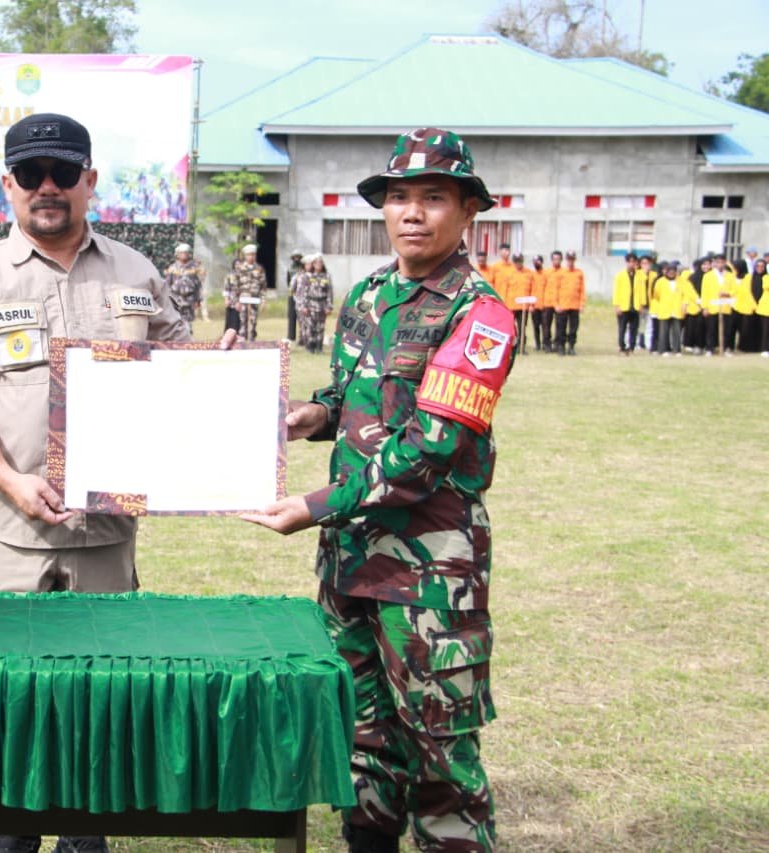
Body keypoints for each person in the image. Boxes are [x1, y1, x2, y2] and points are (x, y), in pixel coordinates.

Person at [0, 112, 200, 853]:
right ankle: (12, 838)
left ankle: (85, 837)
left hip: (105, 534)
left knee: (99, 699)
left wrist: (218, 373)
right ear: (8, 183)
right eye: (32, 173)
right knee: (11, 698)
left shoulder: (137, 273)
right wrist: (10, 479)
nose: (48, 186)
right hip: (11, 534)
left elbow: (180, 374)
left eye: (63, 172)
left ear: (89, 180)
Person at [242, 127, 513, 853]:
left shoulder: (479, 314)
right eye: (399, 197)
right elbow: (352, 397)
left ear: (468, 210)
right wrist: (314, 415)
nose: (412, 213)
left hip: (429, 571)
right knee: (361, 737)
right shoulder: (367, 294)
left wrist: (316, 506)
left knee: (439, 750)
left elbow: (429, 448)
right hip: (351, 559)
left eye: (434, 198)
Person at [293, 253, 333, 353]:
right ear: (313, 264)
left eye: (320, 263)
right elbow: (304, 293)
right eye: (316, 263)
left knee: (320, 327)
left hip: (322, 305)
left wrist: (329, 306)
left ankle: (319, 347)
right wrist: (303, 306)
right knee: (310, 327)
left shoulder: (326, 276)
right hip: (310, 305)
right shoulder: (307, 276)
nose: (318, 265)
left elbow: (329, 292)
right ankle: (310, 347)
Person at [162, 242, 205, 334]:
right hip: (175, 298)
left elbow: (198, 285)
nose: (184, 255)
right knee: (175, 321)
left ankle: (188, 338)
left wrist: (198, 300)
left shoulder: (195, 268)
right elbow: (167, 284)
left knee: (188, 322)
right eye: (182, 253)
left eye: (186, 252)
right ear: (177, 254)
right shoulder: (172, 268)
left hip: (190, 298)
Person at [226, 243, 266, 340]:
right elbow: (235, 286)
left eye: (253, 254)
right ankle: (243, 342)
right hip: (242, 299)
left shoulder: (259, 269)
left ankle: (251, 341)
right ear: (245, 256)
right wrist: (236, 301)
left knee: (253, 322)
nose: (251, 257)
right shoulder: (240, 268)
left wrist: (263, 300)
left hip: (254, 299)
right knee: (242, 322)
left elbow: (263, 286)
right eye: (249, 255)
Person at [700, 254, 735, 355]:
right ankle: (710, 348)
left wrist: (727, 294)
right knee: (711, 329)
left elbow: (735, 290)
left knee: (726, 330)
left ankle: (724, 348)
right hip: (712, 306)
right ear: (714, 263)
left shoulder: (730, 275)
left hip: (726, 306)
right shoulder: (708, 276)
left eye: (722, 262)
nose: (720, 265)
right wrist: (705, 307)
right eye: (718, 262)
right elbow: (704, 292)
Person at [651, 260, 685, 357]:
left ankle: (677, 350)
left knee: (677, 331)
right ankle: (663, 349)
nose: (671, 273)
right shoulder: (660, 281)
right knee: (663, 331)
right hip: (664, 309)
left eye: (673, 271)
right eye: (669, 271)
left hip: (676, 309)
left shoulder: (681, 281)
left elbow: (684, 293)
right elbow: (656, 295)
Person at [554, 250, 585, 355]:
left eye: (572, 259)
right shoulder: (560, 273)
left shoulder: (579, 273)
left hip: (575, 305)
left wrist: (581, 304)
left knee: (573, 329)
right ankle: (561, 347)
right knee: (561, 328)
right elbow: (556, 289)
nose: (570, 261)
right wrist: (556, 304)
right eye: (569, 259)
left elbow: (582, 290)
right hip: (563, 305)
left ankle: (571, 346)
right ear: (566, 260)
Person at [612, 253, 642, 355]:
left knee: (634, 328)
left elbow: (641, 291)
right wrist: (617, 305)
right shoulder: (620, 275)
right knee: (622, 328)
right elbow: (616, 291)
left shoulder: (640, 276)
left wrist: (641, 304)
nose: (631, 264)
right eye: (629, 262)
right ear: (626, 262)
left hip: (635, 306)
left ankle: (631, 347)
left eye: (633, 262)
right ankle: (622, 346)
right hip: (624, 306)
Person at [285, 250, 305, 341]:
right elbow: (288, 281)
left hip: (301, 295)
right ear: (292, 258)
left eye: (298, 257)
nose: (297, 258)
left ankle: (302, 336)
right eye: (295, 257)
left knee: (302, 316)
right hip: (292, 294)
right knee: (291, 315)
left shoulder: (303, 268)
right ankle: (291, 336)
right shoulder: (290, 268)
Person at [753, 258, 769, 357]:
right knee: (766, 330)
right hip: (766, 308)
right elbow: (766, 286)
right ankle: (764, 348)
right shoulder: (766, 277)